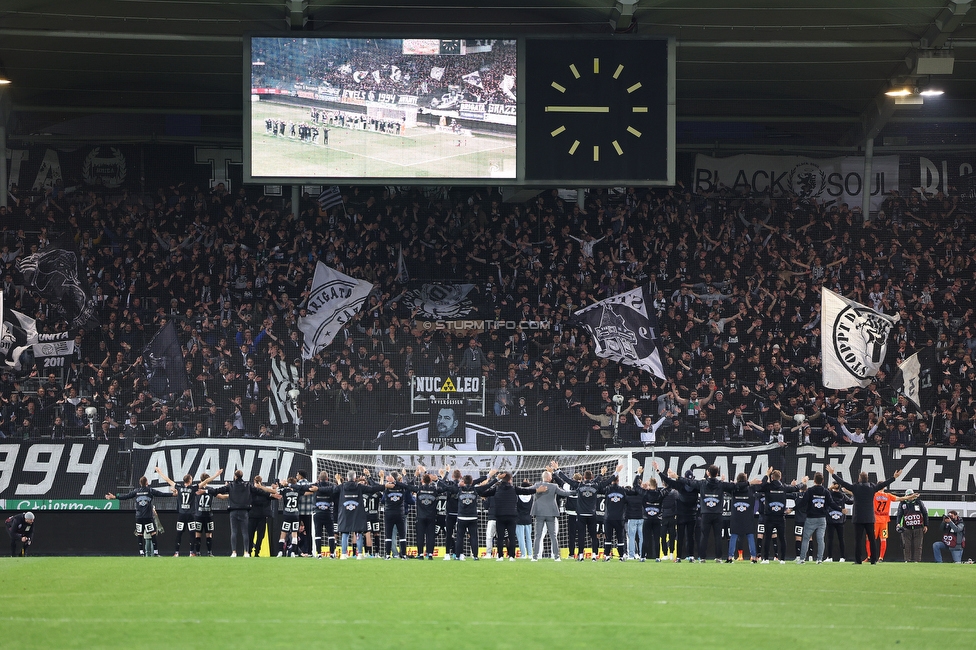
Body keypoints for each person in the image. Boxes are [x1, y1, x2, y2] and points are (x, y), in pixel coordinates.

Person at [825, 465, 904, 564]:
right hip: (870, 518)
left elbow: (842, 482)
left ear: (859, 479)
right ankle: (873, 560)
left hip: (858, 518)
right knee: (872, 539)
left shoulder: (855, 487)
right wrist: (894, 477)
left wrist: (833, 474)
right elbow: (884, 484)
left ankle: (858, 560)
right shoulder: (872, 488)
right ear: (867, 479)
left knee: (858, 540)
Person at [153, 466, 220, 557]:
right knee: (192, 534)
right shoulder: (193, 488)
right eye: (191, 479)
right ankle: (192, 552)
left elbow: (168, 480)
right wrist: (216, 475)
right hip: (190, 515)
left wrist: (160, 472)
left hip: (181, 514)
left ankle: (176, 552)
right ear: (189, 480)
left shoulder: (179, 487)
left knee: (179, 533)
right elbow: (206, 482)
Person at [553, 463, 613, 561]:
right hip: (592, 514)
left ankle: (580, 555)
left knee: (581, 535)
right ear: (591, 477)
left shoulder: (578, 485)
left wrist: (557, 470)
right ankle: (594, 555)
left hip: (581, 514)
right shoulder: (595, 485)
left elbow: (566, 480)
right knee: (593, 535)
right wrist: (607, 473)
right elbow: (605, 482)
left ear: (584, 477)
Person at [478, 470, 541, 560]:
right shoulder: (514, 489)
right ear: (510, 480)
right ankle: (511, 556)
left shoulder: (496, 489)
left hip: (500, 516)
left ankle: (500, 556)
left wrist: (495, 479)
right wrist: (537, 490)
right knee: (511, 537)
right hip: (511, 516)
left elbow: (481, 492)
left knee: (500, 537)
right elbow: (525, 491)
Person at [106, 476, 176, 556]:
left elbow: (126, 496)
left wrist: (115, 497)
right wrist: (173, 495)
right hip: (148, 517)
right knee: (153, 533)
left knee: (140, 534)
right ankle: (156, 553)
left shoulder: (136, 491)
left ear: (140, 483)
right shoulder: (150, 490)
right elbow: (161, 494)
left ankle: (141, 553)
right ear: (147, 482)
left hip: (139, 517)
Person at [212, 469, 275, 557]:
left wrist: (207, 491)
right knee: (246, 533)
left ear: (235, 476)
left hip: (237, 512)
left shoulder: (232, 486)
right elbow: (261, 492)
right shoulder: (248, 486)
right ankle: (247, 552)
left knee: (235, 532)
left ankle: (235, 552)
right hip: (246, 512)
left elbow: (218, 491)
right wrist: (271, 494)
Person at [439, 468, 495, 560]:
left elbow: (444, 485)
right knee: (471, 536)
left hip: (458, 515)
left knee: (456, 536)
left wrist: (441, 477)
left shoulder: (458, 488)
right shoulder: (470, 488)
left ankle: (453, 554)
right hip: (466, 515)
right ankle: (472, 555)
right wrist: (491, 477)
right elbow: (484, 485)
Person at [758, 467, 804, 563]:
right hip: (780, 517)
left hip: (769, 517)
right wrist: (803, 482)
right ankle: (782, 559)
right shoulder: (784, 487)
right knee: (782, 538)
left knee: (767, 538)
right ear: (780, 477)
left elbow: (761, 485)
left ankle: (766, 559)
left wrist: (766, 474)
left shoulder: (768, 487)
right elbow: (796, 488)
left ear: (772, 477)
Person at [527, 467, 575, 561]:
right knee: (553, 535)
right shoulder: (554, 486)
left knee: (538, 535)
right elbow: (565, 493)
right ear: (549, 478)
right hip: (551, 513)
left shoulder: (537, 485)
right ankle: (556, 557)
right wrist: (576, 491)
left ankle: (535, 557)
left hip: (539, 513)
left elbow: (527, 490)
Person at [335, 468, 383, 559]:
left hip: (345, 513)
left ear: (347, 478)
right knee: (358, 533)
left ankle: (344, 554)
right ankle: (360, 554)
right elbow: (373, 488)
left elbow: (332, 490)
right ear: (355, 478)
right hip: (357, 513)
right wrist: (384, 486)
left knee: (345, 533)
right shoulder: (359, 487)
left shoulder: (342, 486)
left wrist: (319, 488)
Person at [868, 487, 917, 562]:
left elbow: (861, 494)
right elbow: (900, 499)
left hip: (875, 520)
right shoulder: (888, 495)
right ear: (884, 487)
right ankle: (881, 558)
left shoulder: (873, 494)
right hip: (884, 521)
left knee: (870, 539)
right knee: (883, 539)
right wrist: (910, 496)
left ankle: (870, 556)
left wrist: (848, 491)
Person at [273, 475, 318, 557]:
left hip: (287, 514)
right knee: (294, 534)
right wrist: (314, 488)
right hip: (295, 515)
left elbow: (276, 491)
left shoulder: (285, 491)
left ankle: (280, 551)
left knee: (283, 533)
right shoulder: (298, 491)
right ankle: (293, 552)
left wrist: (279, 485)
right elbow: (309, 492)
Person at [725, 472, 760, 563]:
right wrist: (766, 475)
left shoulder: (734, 490)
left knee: (733, 536)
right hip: (748, 518)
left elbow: (727, 487)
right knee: (750, 536)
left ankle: (730, 557)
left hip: (736, 518)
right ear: (746, 480)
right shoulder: (751, 489)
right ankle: (753, 557)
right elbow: (763, 484)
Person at [797, 472, 830, 564]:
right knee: (820, 539)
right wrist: (840, 509)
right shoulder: (826, 491)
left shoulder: (810, 491)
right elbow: (831, 503)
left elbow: (803, 502)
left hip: (811, 518)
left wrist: (792, 509)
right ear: (823, 481)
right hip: (822, 519)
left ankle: (802, 559)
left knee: (806, 539)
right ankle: (819, 559)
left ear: (814, 481)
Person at [311, 471, 338, 558]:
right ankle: (332, 554)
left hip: (317, 513)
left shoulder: (315, 486)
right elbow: (335, 489)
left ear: (319, 479)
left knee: (318, 533)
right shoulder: (331, 486)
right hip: (328, 513)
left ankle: (319, 554)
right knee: (331, 534)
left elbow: (305, 487)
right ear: (327, 478)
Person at [895, 489, 928, 563]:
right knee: (906, 545)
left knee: (918, 545)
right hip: (906, 528)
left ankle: (917, 560)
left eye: (911, 495)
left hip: (918, 527)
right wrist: (898, 524)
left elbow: (925, 513)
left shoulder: (918, 502)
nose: (910, 497)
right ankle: (907, 560)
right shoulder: (902, 503)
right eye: (909, 495)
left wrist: (926, 525)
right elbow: (899, 514)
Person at [824, 481, 853, 562]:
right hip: (837, 520)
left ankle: (832, 557)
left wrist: (830, 488)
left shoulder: (831, 494)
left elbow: (851, 501)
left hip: (833, 519)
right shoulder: (841, 495)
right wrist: (849, 492)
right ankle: (839, 557)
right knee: (837, 539)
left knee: (833, 539)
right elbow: (851, 500)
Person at [248, 475, 276, 557]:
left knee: (253, 535)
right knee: (257, 535)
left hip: (256, 515)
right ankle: (254, 552)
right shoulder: (255, 490)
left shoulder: (257, 490)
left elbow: (274, 494)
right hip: (258, 516)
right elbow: (273, 495)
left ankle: (252, 552)